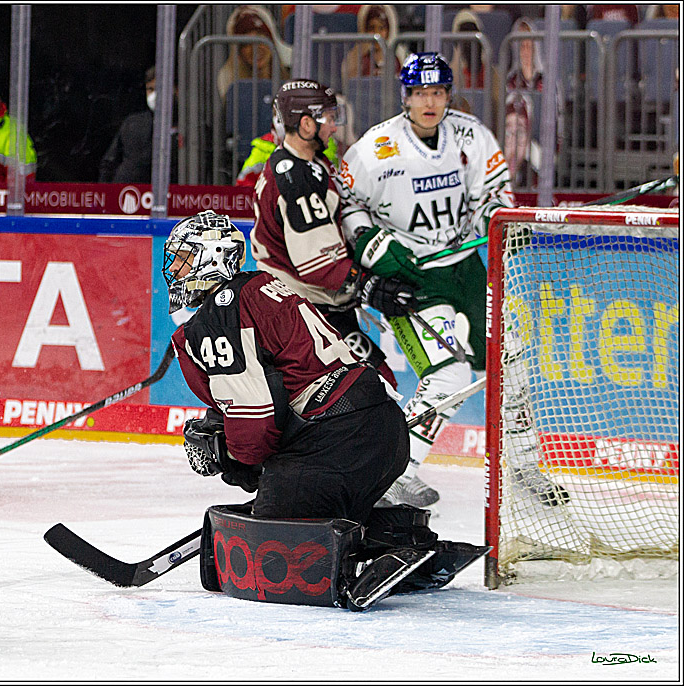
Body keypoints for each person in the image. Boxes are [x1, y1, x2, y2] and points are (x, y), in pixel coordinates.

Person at [165, 210, 486, 612]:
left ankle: (384, 556)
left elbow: (256, 418)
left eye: (182, 258)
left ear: (211, 258)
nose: (174, 269)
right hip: (383, 430)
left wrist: (234, 458)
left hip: (334, 443)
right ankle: (411, 539)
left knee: (269, 547)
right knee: (308, 508)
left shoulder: (219, 317)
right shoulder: (263, 286)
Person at [339, 52, 569, 509]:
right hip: (413, 281)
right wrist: (379, 252)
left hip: (466, 271)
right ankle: (392, 472)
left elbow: (496, 192)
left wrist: (498, 218)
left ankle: (522, 463)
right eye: (421, 93)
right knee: (448, 375)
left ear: (448, 95)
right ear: (406, 97)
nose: (430, 102)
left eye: (438, 92)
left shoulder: (471, 135)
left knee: (512, 362)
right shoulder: (374, 148)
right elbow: (347, 205)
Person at [250, 79, 401, 392]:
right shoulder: (295, 178)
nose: (334, 127)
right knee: (374, 388)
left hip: (314, 307)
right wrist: (367, 284)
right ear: (306, 124)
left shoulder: (310, 165)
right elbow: (319, 266)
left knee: (376, 386)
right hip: (302, 313)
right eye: (330, 119)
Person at [504, 18, 564, 188]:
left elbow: (558, 119)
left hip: (541, 142)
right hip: (515, 141)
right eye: (521, 46)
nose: (525, 51)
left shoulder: (548, 80)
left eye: (529, 46)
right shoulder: (511, 80)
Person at [98, 66, 178, 183]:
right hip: (128, 194)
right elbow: (109, 163)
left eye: (160, 89)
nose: (154, 96)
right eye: (150, 89)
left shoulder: (189, 126)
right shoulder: (133, 124)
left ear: (176, 90)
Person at [216, 6, 292, 101]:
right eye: (247, 44)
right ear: (239, 53)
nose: (255, 49)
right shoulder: (232, 87)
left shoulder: (292, 77)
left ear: (271, 42)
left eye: (260, 39)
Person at [341, 5, 404, 80]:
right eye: (371, 28)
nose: (377, 33)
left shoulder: (398, 58)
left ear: (388, 30)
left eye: (381, 28)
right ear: (365, 29)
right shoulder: (355, 60)